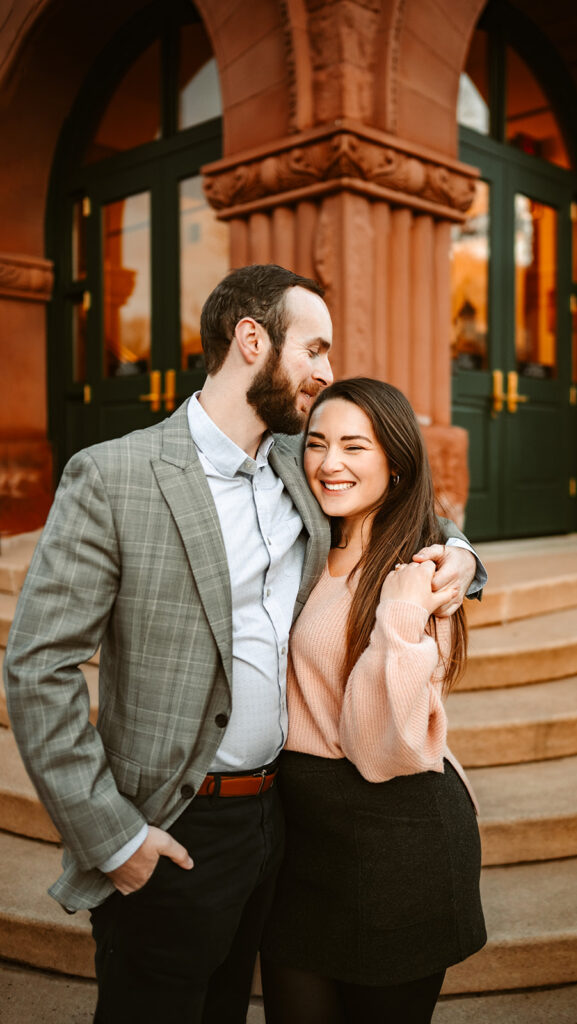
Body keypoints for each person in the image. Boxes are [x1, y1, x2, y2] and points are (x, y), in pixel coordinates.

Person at [4, 265, 485, 1024]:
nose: (325, 373)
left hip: (283, 824)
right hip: (174, 820)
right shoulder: (114, 475)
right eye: (314, 349)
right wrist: (111, 834)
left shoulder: (302, 464)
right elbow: (38, 668)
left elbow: (401, 493)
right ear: (251, 340)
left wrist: (462, 558)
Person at [260, 377, 487, 1024]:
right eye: (318, 443)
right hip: (301, 833)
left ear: (394, 464)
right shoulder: (298, 549)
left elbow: (376, 742)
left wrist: (401, 614)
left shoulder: (420, 577)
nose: (330, 463)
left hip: (396, 836)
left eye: (355, 447)